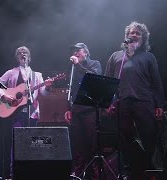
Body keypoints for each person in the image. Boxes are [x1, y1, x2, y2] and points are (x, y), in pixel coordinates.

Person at [104, 21, 164, 180]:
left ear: (143, 38)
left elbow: (156, 83)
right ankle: (131, 170)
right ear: (127, 37)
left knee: (148, 136)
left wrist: (159, 104)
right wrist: (108, 102)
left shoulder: (148, 57)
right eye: (132, 32)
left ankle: (149, 169)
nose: (135, 35)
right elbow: (108, 81)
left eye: (138, 33)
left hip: (144, 101)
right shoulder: (116, 56)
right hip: (122, 102)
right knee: (125, 137)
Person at [0, 46, 53, 179]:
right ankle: (12, 174)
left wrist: (47, 87)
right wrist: (4, 96)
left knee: (30, 142)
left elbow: (43, 93)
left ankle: (29, 173)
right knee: (14, 143)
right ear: (17, 57)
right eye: (19, 53)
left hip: (32, 113)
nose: (22, 54)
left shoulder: (37, 75)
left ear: (29, 57)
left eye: (25, 52)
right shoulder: (11, 73)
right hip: (14, 113)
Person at [64, 43, 102, 180]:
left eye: (77, 50)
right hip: (76, 110)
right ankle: (79, 174)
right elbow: (71, 90)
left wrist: (78, 66)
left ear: (86, 52)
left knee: (91, 144)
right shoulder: (72, 68)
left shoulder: (94, 64)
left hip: (90, 110)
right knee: (78, 144)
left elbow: (93, 78)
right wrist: (68, 109)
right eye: (73, 51)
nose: (75, 53)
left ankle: (95, 174)